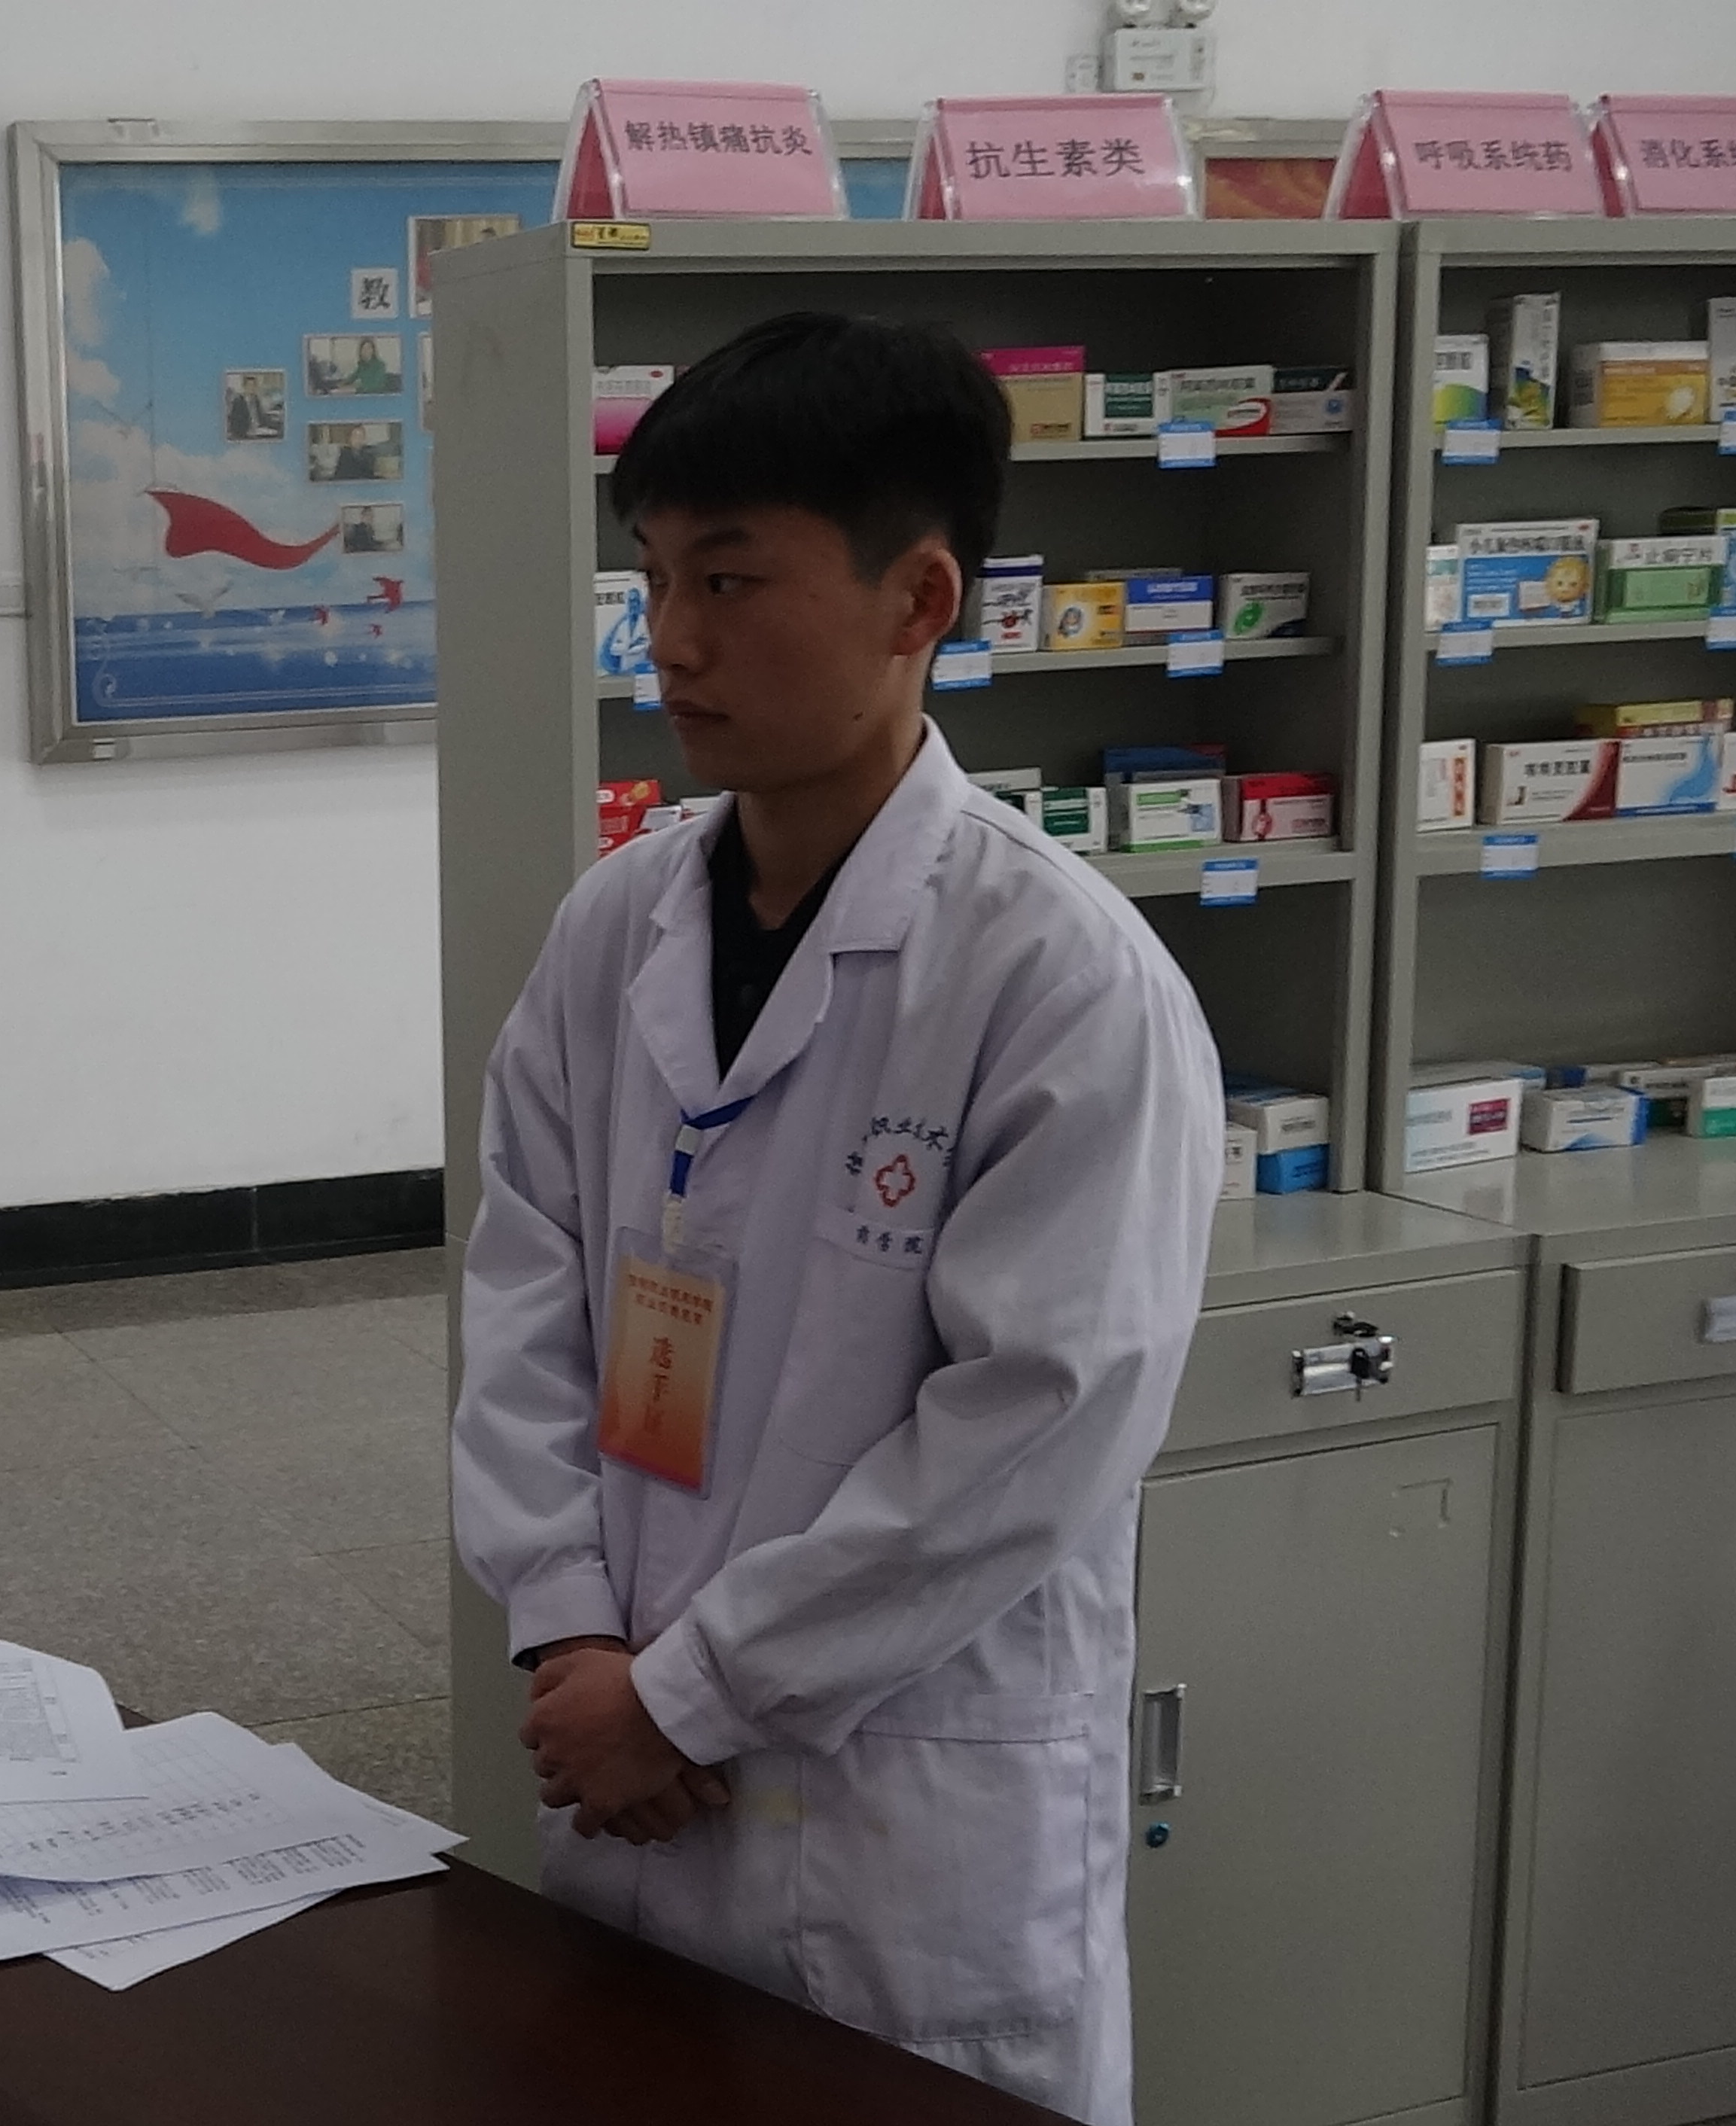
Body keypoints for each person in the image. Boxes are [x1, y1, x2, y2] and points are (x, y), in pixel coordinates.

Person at [448, 312, 1218, 2125]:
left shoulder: (1057, 976)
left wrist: (690, 1693)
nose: (671, 637)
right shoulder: (614, 924)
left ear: (917, 599)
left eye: (729, 579)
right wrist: (568, 1628)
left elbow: (1032, 1426)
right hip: (620, 1750)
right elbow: (523, 1288)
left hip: (893, 1811)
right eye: (653, 577)